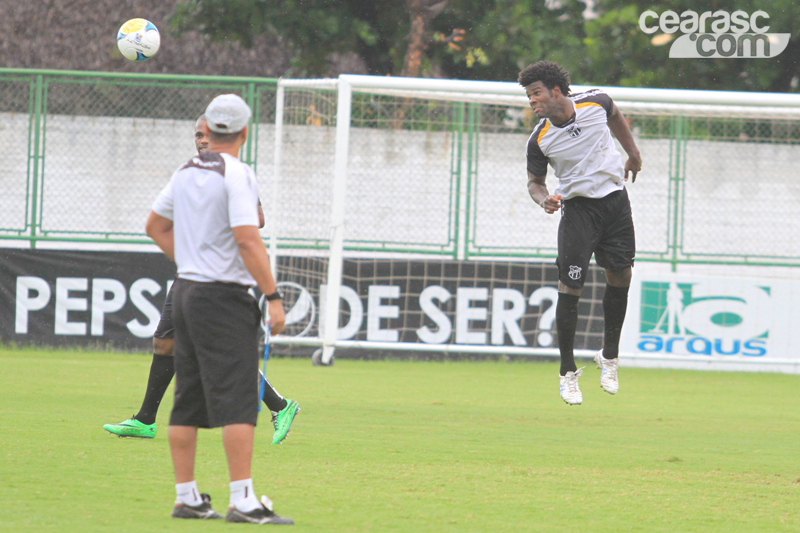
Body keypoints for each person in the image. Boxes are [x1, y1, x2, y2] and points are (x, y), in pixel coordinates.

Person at [103, 115, 300, 445]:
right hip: (189, 274)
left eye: (207, 134)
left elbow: (258, 219)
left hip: (216, 277)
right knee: (165, 341)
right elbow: (156, 224)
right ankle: (146, 419)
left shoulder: (233, 174)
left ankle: (279, 405)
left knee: (218, 350)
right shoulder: (188, 173)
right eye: (197, 135)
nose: (202, 140)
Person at [146, 94, 294, 523]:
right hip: (223, 298)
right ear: (245, 132)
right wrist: (273, 297)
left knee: (187, 398)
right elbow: (248, 239)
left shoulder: (185, 170)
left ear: (208, 129)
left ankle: (187, 497)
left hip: (186, 292)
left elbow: (154, 226)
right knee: (239, 399)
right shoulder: (238, 173)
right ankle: (243, 501)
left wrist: (192, 261)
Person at [519, 61, 642, 405]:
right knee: (570, 286)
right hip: (578, 212)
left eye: (536, 93)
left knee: (621, 275)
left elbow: (615, 114)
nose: (532, 100)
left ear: (556, 91)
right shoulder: (539, 139)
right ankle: (567, 373)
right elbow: (535, 182)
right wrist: (544, 200)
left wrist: (633, 154)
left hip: (615, 202)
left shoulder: (596, 102)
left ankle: (609, 357)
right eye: (529, 96)